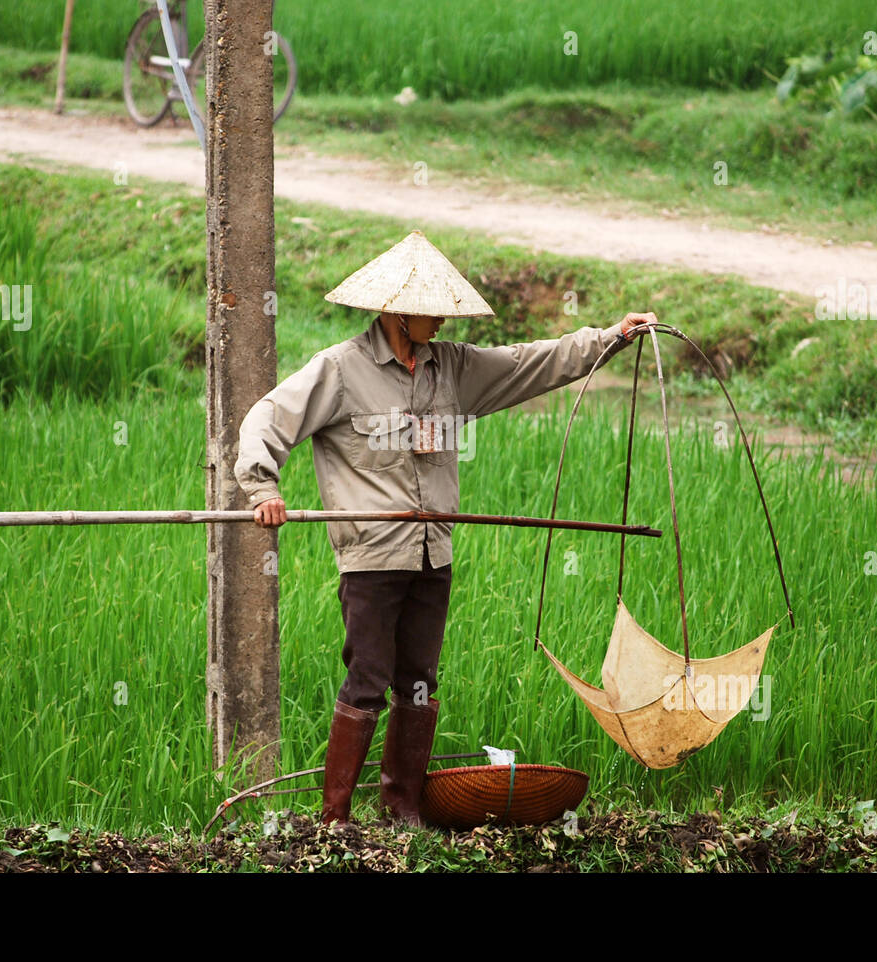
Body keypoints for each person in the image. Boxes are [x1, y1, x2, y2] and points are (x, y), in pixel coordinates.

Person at [233, 230, 656, 827]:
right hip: (373, 558)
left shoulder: (452, 368)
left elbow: (530, 363)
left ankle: (402, 808)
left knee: (421, 682)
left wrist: (609, 339)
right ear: (397, 314)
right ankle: (335, 819)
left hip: (433, 555)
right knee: (368, 678)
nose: (439, 320)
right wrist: (263, 487)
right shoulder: (341, 370)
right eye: (429, 311)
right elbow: (267, 420)